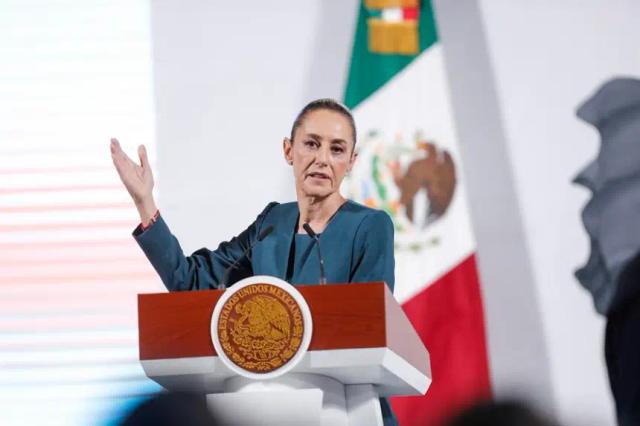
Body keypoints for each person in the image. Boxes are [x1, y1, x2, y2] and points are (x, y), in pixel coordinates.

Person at [110, 98, 397, 425]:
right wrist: (144, 201)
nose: (322, 159)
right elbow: (191, 281)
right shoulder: (271, 222)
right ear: (289, 151)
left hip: (342, 407)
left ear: (352, 161)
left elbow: (371, 321)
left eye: (337, 149)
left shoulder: (371, 225)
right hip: (263, 406)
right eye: (311, 144)